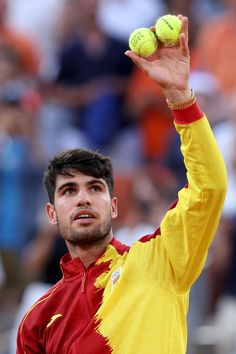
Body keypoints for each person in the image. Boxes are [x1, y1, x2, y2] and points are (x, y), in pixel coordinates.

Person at [16, 15, 227, 354]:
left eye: (95, 188)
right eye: (69, 191)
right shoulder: (38, 320)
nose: (83, 198)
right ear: (52, 214)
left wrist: (180, 98)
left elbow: (210, 188)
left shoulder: (162, 259)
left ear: (113, 205)